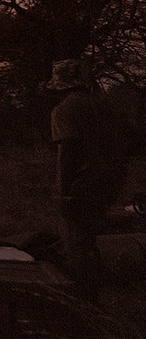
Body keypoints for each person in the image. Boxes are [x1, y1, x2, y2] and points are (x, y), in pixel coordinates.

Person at [48, 58, 124, 302]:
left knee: (76, 244)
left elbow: (67, 154)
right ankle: (93, 298)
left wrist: (62, 193)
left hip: (82, 184)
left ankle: (81, 302)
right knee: (90, 242)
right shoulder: (103, 106)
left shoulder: (64, 110)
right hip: (109, 181)